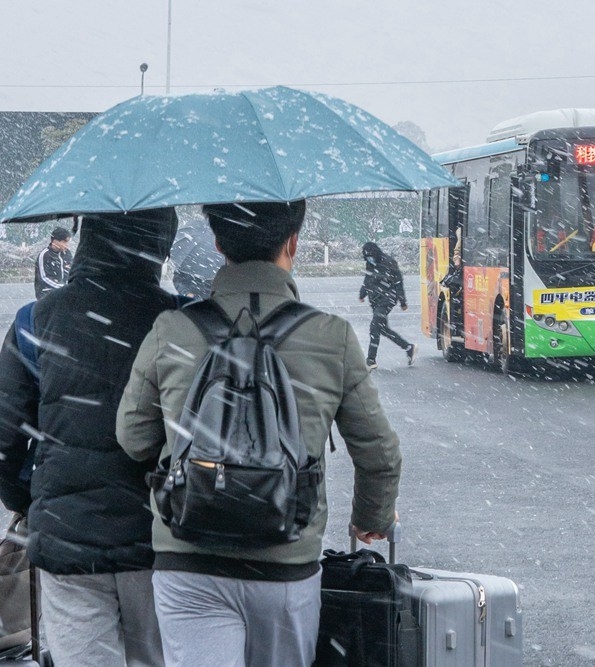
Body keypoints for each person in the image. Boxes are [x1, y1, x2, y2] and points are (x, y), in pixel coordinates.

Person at [116, 200, 402, 667]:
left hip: (190, 558)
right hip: (286, 560)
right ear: (293, 240)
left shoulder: (173, 329)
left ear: (217, 243)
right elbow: (379, 451)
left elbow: (133, 438)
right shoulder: (331, 336)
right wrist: (370, 517)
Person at [0, 208, 181, 667]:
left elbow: (4, 437)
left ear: (87, 240)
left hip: (67, 536)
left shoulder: (33, 323)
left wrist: (30, 497)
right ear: (159, 244)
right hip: (158, 534)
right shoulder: (180, 323)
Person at [359, 241, 415, 369]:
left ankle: (371, 360)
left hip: (388, 298)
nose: (369, 259)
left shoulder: (389, 262)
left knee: (374, 327)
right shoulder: (370, 264)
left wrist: (402, 301)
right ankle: (408, 347)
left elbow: (398, 282)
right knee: (382, 329)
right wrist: (362, 294)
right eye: (367, 257)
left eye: (370, 256)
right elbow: (367, 280)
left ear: (375, 253)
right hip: (375, 300)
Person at [33, 226, 73, 299]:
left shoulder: (67, 253)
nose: (67, 245)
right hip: (46, 293)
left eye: (68, 242)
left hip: (64, 292)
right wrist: (62, 287)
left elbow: (72, 271)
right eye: (64, 242)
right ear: (54, 241)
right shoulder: (45, 255)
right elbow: (44, 278)